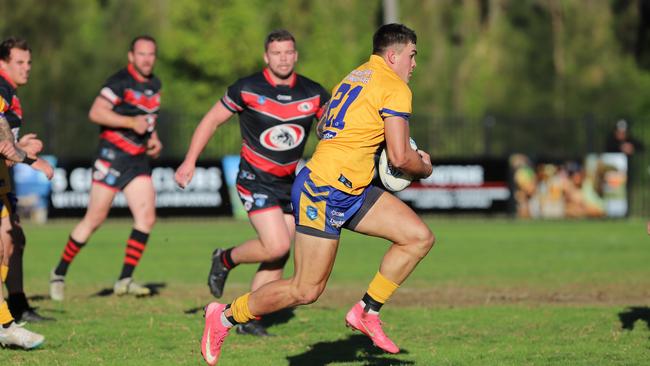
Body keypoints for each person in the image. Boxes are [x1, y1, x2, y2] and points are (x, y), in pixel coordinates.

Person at [200, 23, 435, 365]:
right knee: (305, 290)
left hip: (350, 186)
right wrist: (424, 166)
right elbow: (401, 157)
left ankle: (367, 312)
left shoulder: (356, 76)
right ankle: (222, 317)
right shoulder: (395, 87)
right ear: (394, 55)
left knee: (417, 237)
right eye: (412, 56)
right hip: (323, 190)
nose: (414, 64)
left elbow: (326, 127)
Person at [175, 29, 330, 336]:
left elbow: (334, 130)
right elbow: (210, 121)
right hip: (255, 179)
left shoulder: (313, 93)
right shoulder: (247, 88)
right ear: (266, 57)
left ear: (296, 55)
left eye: (288, 52)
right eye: (277, 53)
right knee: (276, 245)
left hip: (290, 182)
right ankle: (224, 258)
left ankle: (248, 318)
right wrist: (190, 160)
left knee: (279, 254)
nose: (283, 58)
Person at [49, 35, 163, 301]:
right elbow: (96, 112)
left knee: (146, 218)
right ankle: (59, 272)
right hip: (111, 157)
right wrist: (130, 123)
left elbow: (149, 120)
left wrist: (153, 139)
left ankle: (124, 279)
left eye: (151, 54)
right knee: (94, 219)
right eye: (142, 54)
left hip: (137, 160)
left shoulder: (155, 84)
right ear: (131, 56)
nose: (147, 59)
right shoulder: (119, 81)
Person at [0, 37, 55, 323]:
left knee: (15, 239)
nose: (27, 68)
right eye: (19, 62)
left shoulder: (11, 93)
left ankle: (17, 307)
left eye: (29, 62)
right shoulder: (1, 89)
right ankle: (6, 318)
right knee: (5, 245)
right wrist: (31, 158)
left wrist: (22, 146)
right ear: (2, 63)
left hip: (4, 180)